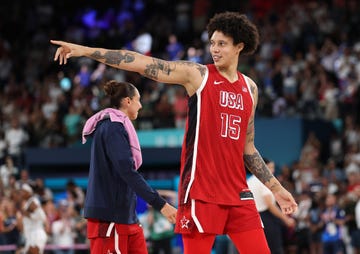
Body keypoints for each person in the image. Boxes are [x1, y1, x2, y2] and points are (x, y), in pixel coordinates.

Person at [51, 11, 298, 254]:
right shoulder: (198, 75)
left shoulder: (250, 89)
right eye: (212, 43)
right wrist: (84, 51)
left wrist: (277, 189)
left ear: (239, 47)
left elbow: (248, 149)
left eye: (222, 44)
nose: (215, 49)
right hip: (201, 192)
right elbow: (141, 63)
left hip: (238, 193)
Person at [77, 80, 177, 253]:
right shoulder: (112, 127)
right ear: (127, 101)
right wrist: (161, 204)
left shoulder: (116, 125)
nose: (140, 106)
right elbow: (127, 172)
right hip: (110, 217)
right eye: (138, 100)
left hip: (124, 215)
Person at [247, 158, 296, 254]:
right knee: (275, 250)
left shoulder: (250, 181)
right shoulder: (264, 181)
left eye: (273, 168)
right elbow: (270, 205)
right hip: (267, 220)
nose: (272, 171)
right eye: (270, 167)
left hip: (252, 219)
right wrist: (286, 219)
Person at [17, 183, 48, 254]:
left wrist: (25, 212)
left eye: (23, 191)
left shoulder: (33, 201)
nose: (21, 193)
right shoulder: (28, 203)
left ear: (29, 192)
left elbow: (41, 215)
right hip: (31, 235)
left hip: (36, 234)